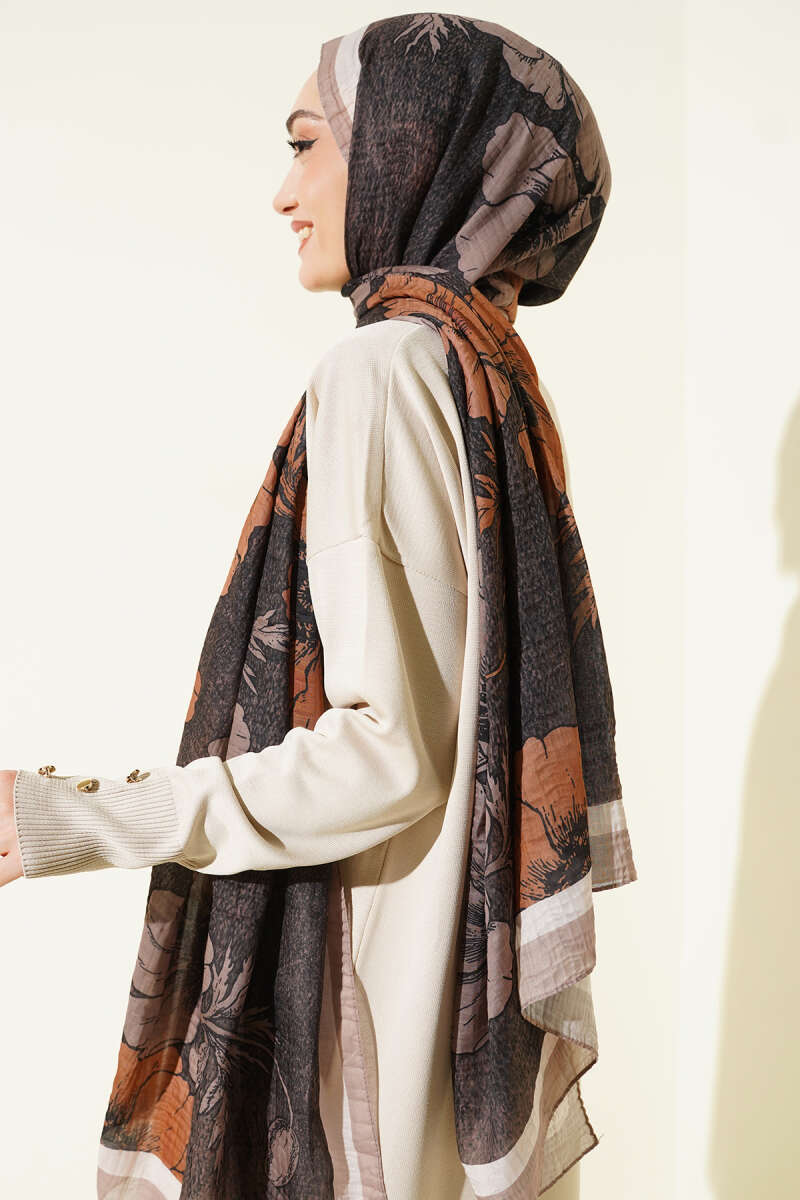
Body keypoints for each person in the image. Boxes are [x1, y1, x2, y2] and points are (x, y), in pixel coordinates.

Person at [1, 14, 637, 1200]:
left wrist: (78, 818)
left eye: (306, 143)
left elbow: (386, 752)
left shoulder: (382, 367)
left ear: (407, 146)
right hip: (447, 994)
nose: (283, 192)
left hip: (366, 1004)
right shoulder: (488, 370)